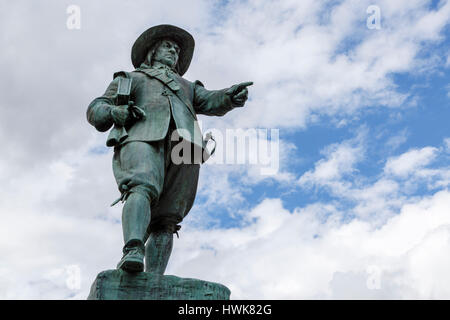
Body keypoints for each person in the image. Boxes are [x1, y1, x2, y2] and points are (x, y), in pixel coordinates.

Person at [87, 24, 252, 273]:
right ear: (152, 51)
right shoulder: (130, 78)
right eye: (168, 46)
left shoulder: (188, 86)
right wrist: (114, 111)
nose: (174, 52)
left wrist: (230, 96)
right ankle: (133, 250)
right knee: (141, 186)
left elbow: (210, 100)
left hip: (185, 147)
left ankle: (155, 277)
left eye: (177, 49)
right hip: (142, 136)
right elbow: (96, 108)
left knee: (169, 217)